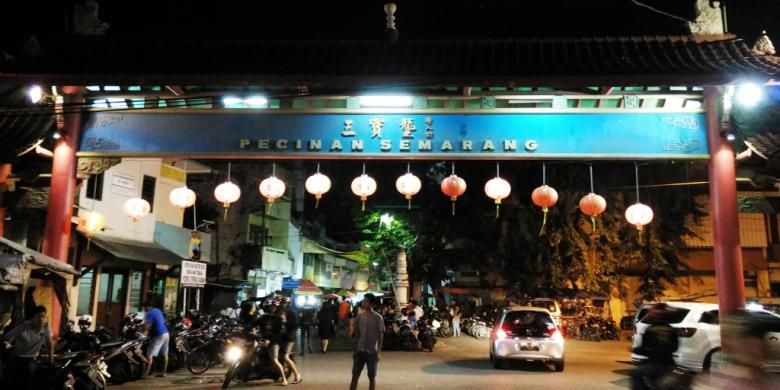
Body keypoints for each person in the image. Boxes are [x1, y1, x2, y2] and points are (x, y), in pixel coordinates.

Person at [1, 305, 53, 388]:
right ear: (33, 317)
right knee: (8, 375)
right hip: (17, 357)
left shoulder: (46, 327)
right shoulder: (22, 328)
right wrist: (6, 344)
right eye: (38, 316)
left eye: (43, 316)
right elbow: (6, 339)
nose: (41, 319)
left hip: (31, 358)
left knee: (28, 371)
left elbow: (50, 344)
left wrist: (51, 361)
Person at [630, 303, 679, 390]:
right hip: (670, 363)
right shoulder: (671, 329)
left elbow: (646, 349)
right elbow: (675, 347)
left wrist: (635, 350)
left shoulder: (651, 330)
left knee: (635, 373)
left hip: (656, 364)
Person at [350, 293, 384, 390]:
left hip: (372, 352)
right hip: (360, 350)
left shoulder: (378, 318)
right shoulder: (360, 317)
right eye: (363, 301)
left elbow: (381, 335)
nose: (363, 303)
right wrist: (355, 349)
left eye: (366, 301)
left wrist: (379, 352)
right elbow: (357, 334)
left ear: (372, 304)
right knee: (355, 376)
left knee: (372, 377)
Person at [262, 299, 289, 386]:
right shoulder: (266, 316)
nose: (272, 308)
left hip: (275, 342)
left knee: (274, 360)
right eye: (271, 306)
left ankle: (284, 379)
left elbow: (279, 332)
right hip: (264, 340)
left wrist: (269, 339)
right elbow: (257, 323)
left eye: (274, 306)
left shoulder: (279, 318)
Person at [143, 299, 169, 378]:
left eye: (144, 308)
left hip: (158, 335)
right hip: (166, 333)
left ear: (147, 307)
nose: (144, 309)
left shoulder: (149, 313)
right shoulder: (158, 310)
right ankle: (164, 373)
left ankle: (145, 374)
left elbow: (148, 326)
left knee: (149, 355)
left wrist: (143, 333)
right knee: (165, 354)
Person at [279, 297, 302, 384]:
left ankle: (297, 375)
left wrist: (285, 322)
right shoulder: (279, 312)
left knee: (285, 356)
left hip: (289, 338)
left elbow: (295, 326)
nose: (282, 304)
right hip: (281, 337)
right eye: (281, 302)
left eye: (284, 302)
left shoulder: (292, 312)